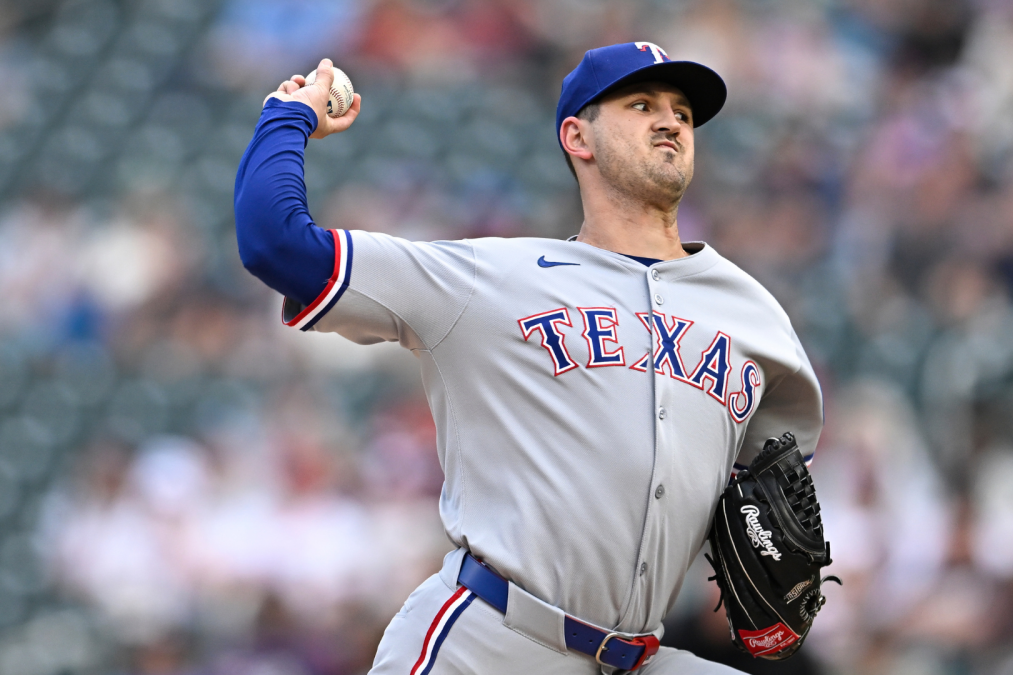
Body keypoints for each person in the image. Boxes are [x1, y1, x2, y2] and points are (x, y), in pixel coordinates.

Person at [234, 42, 824, 675]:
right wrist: (288, 117)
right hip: (491, 641)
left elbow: (770, 484)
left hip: (638, 656)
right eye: (641, 105)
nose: (670, 122)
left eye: (682, 112)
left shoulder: (753, 314)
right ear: (577, 137)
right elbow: (276, 245)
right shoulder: (488, 280)